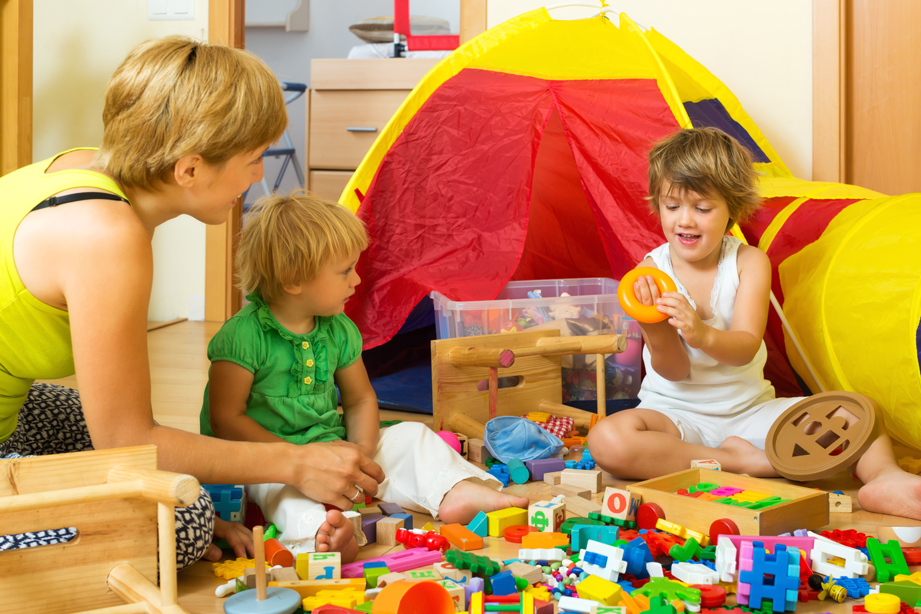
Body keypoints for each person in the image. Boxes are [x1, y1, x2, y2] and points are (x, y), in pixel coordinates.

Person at [0, 36, 388, 567]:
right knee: (185, 522)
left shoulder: (83, 167)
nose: (258, 176)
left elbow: (118, 431)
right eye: (253, 160)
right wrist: (295, 463)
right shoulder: (106, 237)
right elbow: (127, 440)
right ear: (189, 169)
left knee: (173, 481)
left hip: (14, 411)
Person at [587, 127, 921, 520]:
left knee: (856, 411)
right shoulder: (651, 270)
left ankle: (884, 477)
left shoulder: (748, 263)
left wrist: (700, 331)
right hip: (676, 418)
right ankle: (732, 462)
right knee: (607, 440)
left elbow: (744, 345)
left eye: (702, 208)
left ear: (732, 207)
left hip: (749, 412)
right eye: (672, 206)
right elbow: (673, 370)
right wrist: (657, 328)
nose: (685, 221)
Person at [201, 191, 529, 560]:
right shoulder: (243, 337)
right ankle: (323, 538)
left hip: (331, 443)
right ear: (294, 280)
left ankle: (454, 490)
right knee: (284, 496)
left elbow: (359, 399)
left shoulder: (338, 329)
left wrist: (360, 453)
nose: (356, 280)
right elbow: (226, 420)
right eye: (344, 271)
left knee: (409, 436)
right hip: (266, 459)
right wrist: (297, 459)